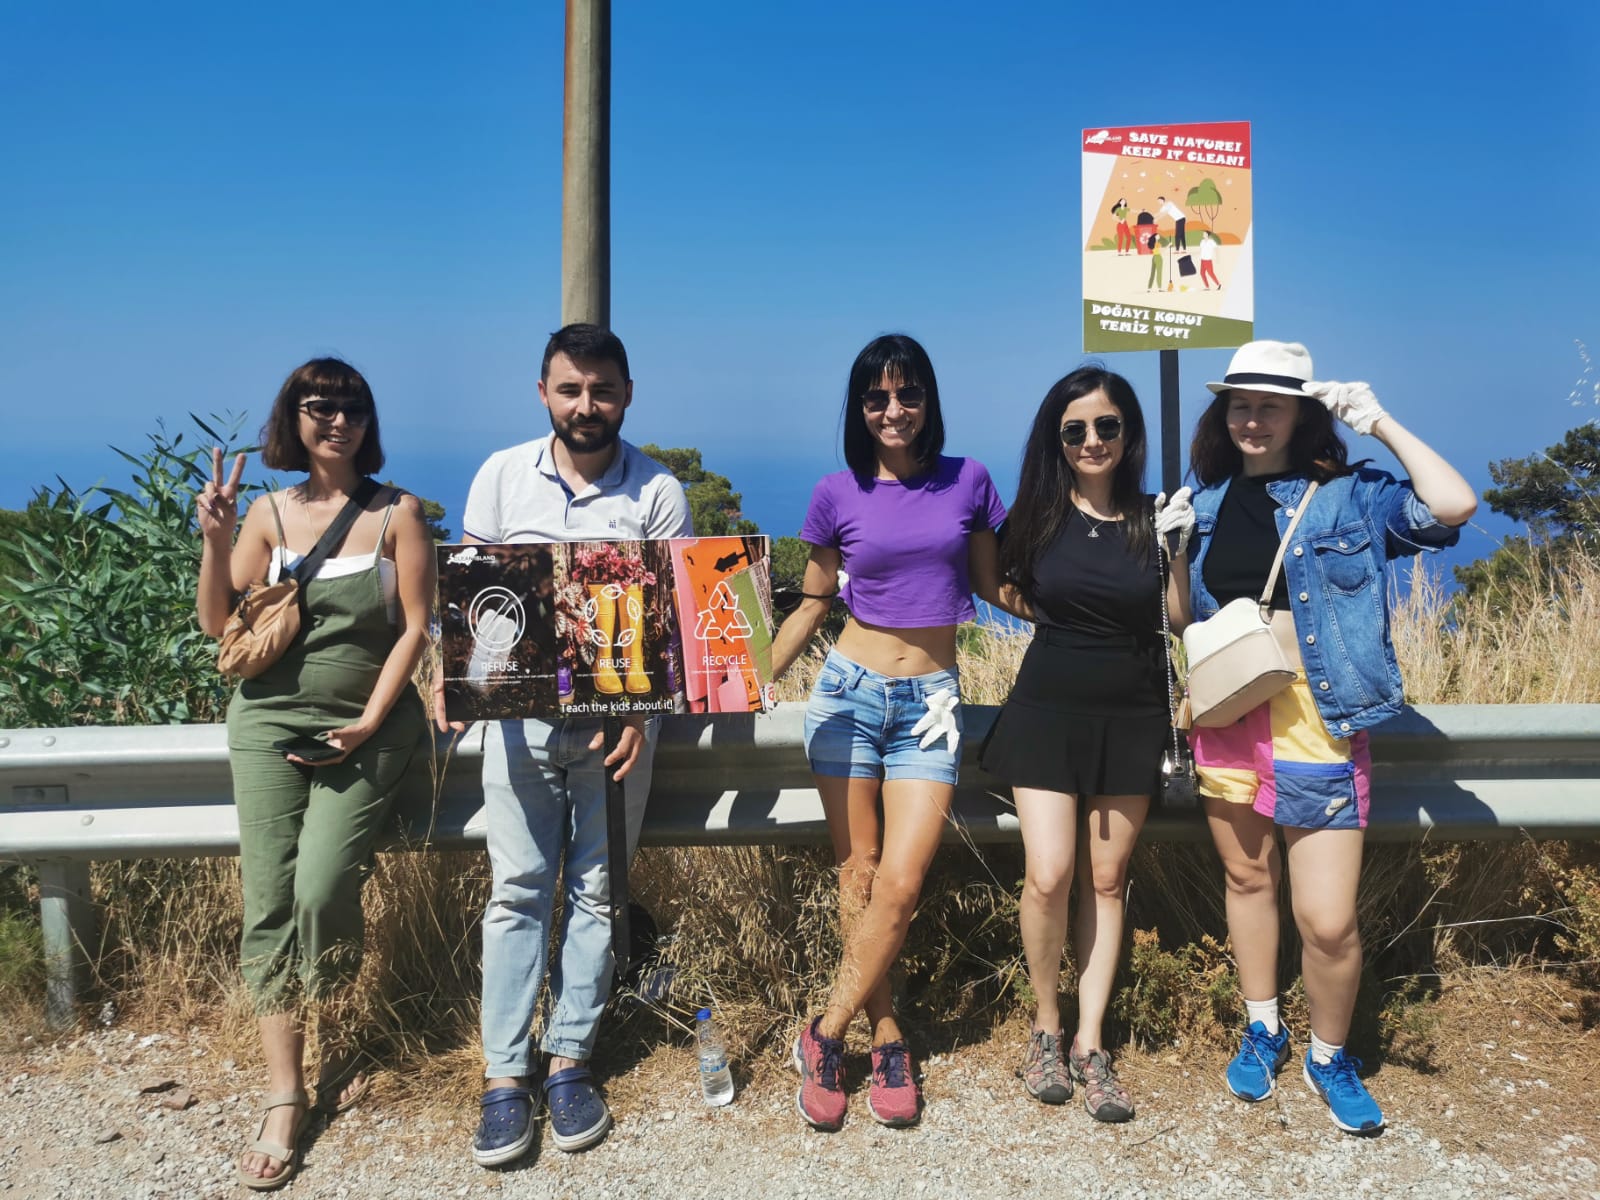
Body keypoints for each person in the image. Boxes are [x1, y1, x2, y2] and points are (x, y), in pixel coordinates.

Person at [1185, 339, 1477, 1134]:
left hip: (1317, 718)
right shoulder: (1204, 503)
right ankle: (1263, 1027)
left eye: (1270, 406)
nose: (1252, 419)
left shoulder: (1349, 496)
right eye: (1239, 404)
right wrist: (1172, 550)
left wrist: (1379, 422)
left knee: (1327, 920)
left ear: (1303, 415)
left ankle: (1329, 1054)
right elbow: (1184, 622)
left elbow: (1452, 506)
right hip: (1228, 713)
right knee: (1248, 881)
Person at [437, 324, 693, 1167]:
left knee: (597, 892)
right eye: (571, 389)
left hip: (620, 729)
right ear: (543, 392)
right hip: (519, 727)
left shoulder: (658, 491)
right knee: (516, 891)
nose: (587, 405)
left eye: (602, 390)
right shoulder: (501, 476)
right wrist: (461, 682)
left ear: (627, 395)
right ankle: (504, 1075)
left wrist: (642, 717)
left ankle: (570, 1059)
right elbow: (476, 599)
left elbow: (673, 618)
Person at [195, 358, 434, 1190]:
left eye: (352, 407)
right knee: (269, 900)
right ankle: (285, 1093)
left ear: (371, 421)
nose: (338, 420)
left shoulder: (399, 513)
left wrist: (369, 720)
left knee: (321, 888)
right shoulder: (266, 513)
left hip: (369, 729)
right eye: (320, 406)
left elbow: (415, 627)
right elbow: (220, 623)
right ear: (292, 418)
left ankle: (328, 1008)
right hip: (266, 725)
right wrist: (218, 536)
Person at [771, 333, 1009, 1132]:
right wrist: (748, 675)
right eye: (877, 398)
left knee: (902, 883)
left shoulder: (969, 480)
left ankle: (823, 1031)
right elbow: (812, 604)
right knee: (861, 876)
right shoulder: (835, 493)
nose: (894, 410)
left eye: (908, 394)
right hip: (847, 694)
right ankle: (886, 1034)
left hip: (931, 704)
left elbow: (995, 584)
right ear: (860, 408)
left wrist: (1092, 609)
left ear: (929, 400)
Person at [979, 367, 1194, 1122]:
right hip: (1048, 707)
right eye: (1075, 430)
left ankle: (1090, 1042)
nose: (1092, 440)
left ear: (1129, 433)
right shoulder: (1037, 516)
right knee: (1049, 875)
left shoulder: (1157, 514)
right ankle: (1045, 1025)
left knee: (1106, 879)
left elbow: (1177, 618)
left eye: (1107, 426)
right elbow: (992, 580)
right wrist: (1046, 614)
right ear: (1058, 439)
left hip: (1133, 710)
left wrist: (1177, 550)